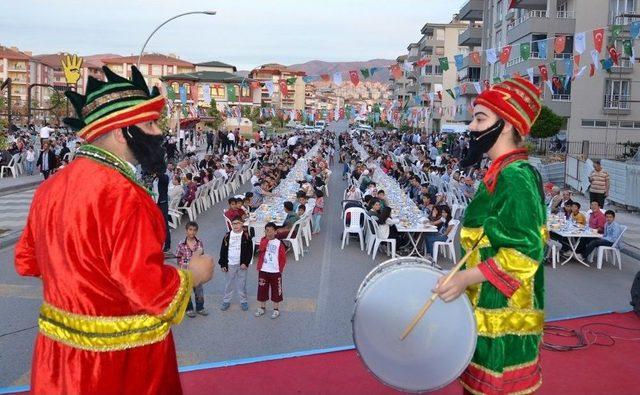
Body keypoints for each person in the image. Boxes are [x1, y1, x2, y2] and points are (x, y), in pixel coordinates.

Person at [14, 65, 214, 395]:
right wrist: (193, 275)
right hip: (117, 367)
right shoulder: (128, 197)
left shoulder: (50, 188)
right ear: (122, 132)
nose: (157, 133)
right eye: (149, 123)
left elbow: (26, 261)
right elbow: (146, 290)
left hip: (58, 359)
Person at [434, 77, 546, 395]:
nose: (471, 127)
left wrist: (465, 277)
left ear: (508, 124)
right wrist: (460, 275)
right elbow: (487, 241)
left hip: (504, 314)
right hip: (488, 306)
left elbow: (525, 253)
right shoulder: (501, 172)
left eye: (481, 118)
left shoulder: (514, 177)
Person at [219, 216, 254, 312]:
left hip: (241, 264)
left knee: (242, 284)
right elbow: (223, 250)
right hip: (230, 264)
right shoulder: (227, 236)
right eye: (234, 223)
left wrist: (245, 263)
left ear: (242, 224)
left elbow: (250, 252)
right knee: (229, 283)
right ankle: (226, 301)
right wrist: (223, 264)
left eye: (238, 223)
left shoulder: (246, 237)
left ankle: (243, 301)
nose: (236, 225)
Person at [255, 222, 287, 319]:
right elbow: (261, 248)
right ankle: (262, 307)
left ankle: (276, 309)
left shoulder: (279, 243)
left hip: (275, 272)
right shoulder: (263, 240)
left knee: (276, 290)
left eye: (271, 230)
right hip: (263, 270)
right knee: (262, 289)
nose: (269, 233)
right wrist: (266, 240)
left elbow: (283, 258)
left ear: (275, 231)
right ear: (264, 231)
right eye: (267, 230)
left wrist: (280, 269)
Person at [176, 221, 208, 318]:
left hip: (197, 272)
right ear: (186, 231)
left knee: (199, 291)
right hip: (186, 272)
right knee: (187, 292)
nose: (192, 232)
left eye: (194, 230)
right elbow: (178, 257)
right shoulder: (181, 244)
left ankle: (200, 308)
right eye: (190, 230)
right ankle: (189, 309)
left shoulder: (199, 242)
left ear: (196, 231)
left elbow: (202, 255)